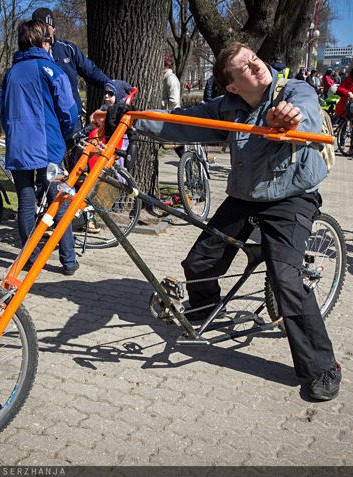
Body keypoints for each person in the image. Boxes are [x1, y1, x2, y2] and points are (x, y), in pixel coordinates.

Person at [109, 42, 341, 401]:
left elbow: (306, 112)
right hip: (246, 196)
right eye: (245, 67)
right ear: (232, 86)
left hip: (291, 196)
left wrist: (288, 119)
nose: (256, 65)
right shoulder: (228, 108)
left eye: (254, 59)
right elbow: (182, 124)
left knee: (286, 279)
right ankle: (205, 311)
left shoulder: (294, 90)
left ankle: (322, 366)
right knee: (199, 261)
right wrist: (132, 118)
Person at [0, 18, 79, 275]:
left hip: (19, 148)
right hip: (49, 148)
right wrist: (65, 134)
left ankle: (30, 258)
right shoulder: (51, 70)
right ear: (42, 41)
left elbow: (1, 100)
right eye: (49, 39)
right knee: (59, 202)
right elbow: (69, 111)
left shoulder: (12, 72)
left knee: (25, 204)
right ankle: (68, 261)